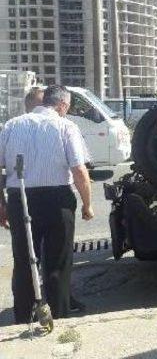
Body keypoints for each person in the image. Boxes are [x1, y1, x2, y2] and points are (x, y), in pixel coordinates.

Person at [0, 85, 94, 323]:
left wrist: (1, 205)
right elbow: (79, 171)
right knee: (58, 262)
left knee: (24, 260)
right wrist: (87, 204)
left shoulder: (12, 126)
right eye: (68, 107)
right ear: (62, 104)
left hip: (20, 199)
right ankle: (58, 316)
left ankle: (22, 317)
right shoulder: (65, 126)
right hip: (57, 200)